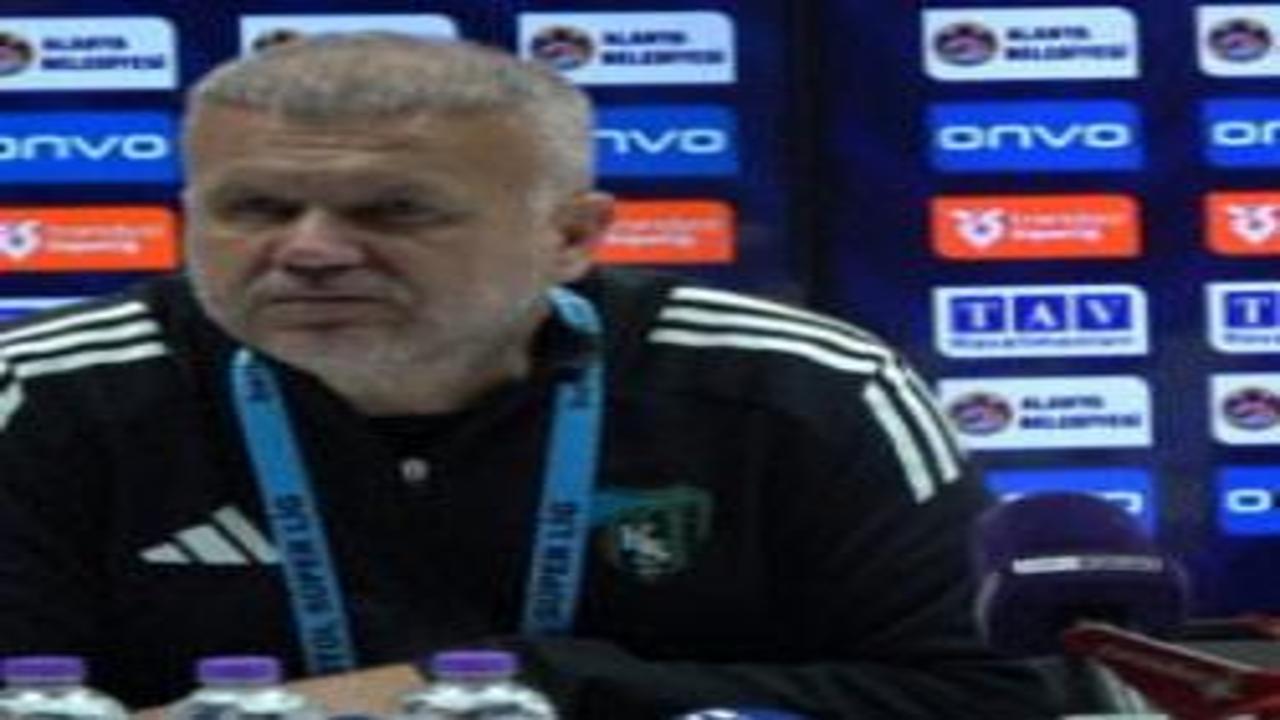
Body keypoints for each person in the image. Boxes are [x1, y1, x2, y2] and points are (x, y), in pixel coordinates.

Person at [0, 34, 1056, 718]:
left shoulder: (798, 385)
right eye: (256, 209)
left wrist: (529, 683)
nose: (310, 250)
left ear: (572, 236)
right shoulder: (44, 397)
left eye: (395, 211)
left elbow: (998, 699)